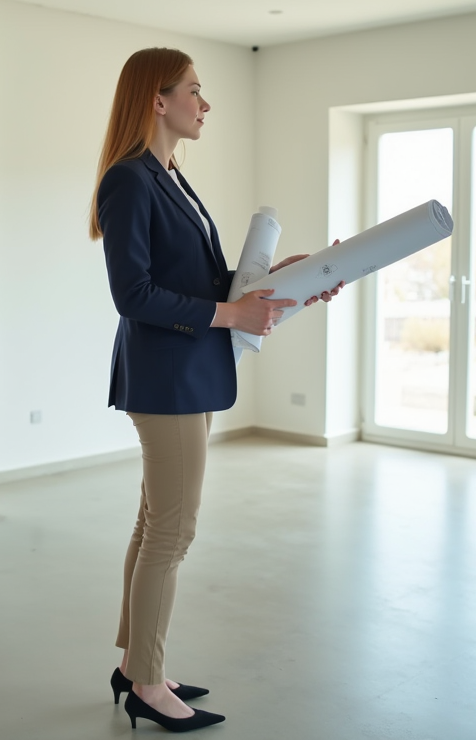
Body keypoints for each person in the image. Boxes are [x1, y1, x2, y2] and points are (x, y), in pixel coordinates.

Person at [90, 47, 343, 732]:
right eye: (195, 91)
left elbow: (201, 283)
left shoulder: (169, 176)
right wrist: (234, 313)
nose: (206, 104)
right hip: (164, 376)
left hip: (186, 370)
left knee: (154, 526)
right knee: (173, 530)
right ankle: (146, 682)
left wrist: (285, 279)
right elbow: (133, 293)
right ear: (158, 99)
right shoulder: (130, 181)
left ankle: (136, 665)